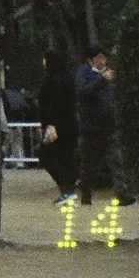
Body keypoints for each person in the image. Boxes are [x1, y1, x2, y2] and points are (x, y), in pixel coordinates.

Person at [76, 47, 118, 206]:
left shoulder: (107, 74)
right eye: (99, 58)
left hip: (108, 124)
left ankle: (123, 193)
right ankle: (86, 194)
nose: (103, 62)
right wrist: (101, 79)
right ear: (91, 59)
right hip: (91, 126)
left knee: (115, 157)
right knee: (89, 162)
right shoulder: (84, 73)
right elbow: (83, 92)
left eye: (104, 58)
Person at [37, 49, 80, 206]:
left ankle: (66, 190)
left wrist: (50, 123)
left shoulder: (52, 81)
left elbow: (52, 104)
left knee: (47, 156)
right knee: (66, 158)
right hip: (69, 125)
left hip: (56, 125)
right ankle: (68, 191)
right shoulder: (68, 79)